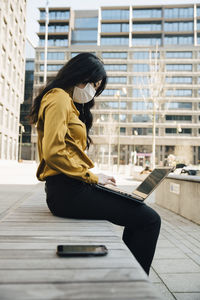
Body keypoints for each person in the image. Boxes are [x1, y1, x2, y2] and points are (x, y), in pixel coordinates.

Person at [28, 52, 161, 275]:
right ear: (80, 76)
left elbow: (66, 152)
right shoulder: (59, 98)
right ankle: (133, 283)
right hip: (67, 193)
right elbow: (53, 153)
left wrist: (94, 176)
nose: (92, 92)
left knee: (139, 212)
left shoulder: (65, 101)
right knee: (149, 220)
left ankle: (129, 277)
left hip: (70, 188)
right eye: (93, 85)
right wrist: (92, 177)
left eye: (96, 88)